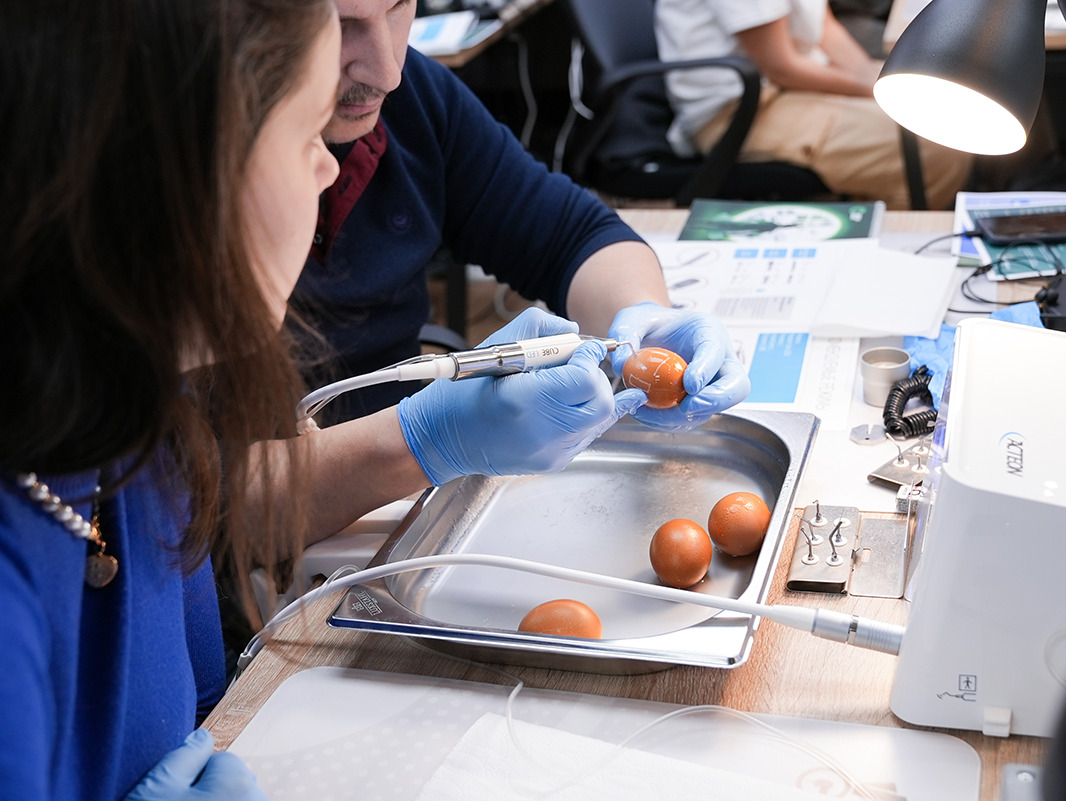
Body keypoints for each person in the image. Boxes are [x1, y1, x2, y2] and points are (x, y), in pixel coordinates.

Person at [2, 0, 644, 798]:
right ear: (178, 162)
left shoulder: (140, 424)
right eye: (307, 135)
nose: (332, 170)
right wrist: (426, 436)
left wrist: (641, 325)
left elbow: (194, 712)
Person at [291, 0, 750, 431]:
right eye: (342, 25)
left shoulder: (416, 97)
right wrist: (421, 442)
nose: (388, 73)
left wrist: (643, 321)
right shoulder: (248, 179)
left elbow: (571, 236)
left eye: (399, 6)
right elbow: (245, 476)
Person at [654, 0, 974, 210]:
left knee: (948, 107)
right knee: (936, 147)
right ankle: (896, 245)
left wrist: (878, 76)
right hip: (742, 112)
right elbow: (780, 66)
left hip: (788, 89)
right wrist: (879, 91)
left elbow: (824, 28)